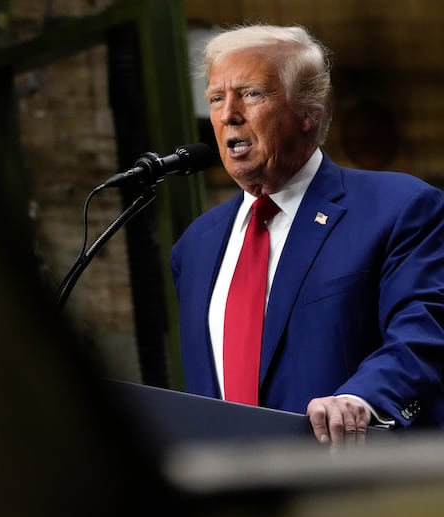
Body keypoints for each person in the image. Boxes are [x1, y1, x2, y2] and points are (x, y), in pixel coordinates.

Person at [170, 24, 444, 447]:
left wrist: (362, 398)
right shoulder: (195, 246)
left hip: (356, 486)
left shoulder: (400, 207)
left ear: (308, 113)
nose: (228, 115)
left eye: (252, 93)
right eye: (216, 99)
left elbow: (423, 331)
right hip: (237, 498)